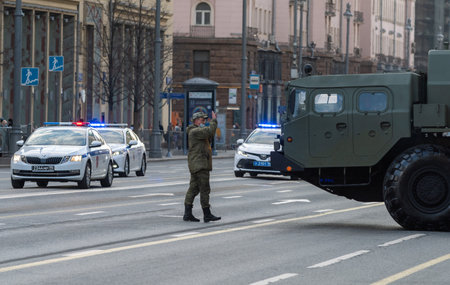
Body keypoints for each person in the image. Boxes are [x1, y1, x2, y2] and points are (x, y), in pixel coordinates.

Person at [183, 111, 221, 223]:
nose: (204, 122)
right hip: (200, 165)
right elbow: (210, 132)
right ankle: (207, 214)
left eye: (205, 120)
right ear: (196, 120)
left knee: (193, 189)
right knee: (205, 189)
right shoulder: (195, 131)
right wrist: (214, 120)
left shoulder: (195, 131)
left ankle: (187, 214)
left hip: (197, 164)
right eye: (202, 120)